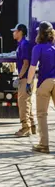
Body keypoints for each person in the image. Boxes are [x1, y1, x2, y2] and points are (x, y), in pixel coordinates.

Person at [26, 21, 55, 154]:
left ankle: (44, 145)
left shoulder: (38, 48)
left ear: (40, 34)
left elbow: (32, 67)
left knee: (42, 115)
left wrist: (28, 83)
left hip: (45, 82)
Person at [11, 24, 36, 137]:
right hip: (26, 77)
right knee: (27, 103)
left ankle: (25, 128)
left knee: (23, 103)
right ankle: (32, 127)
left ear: (20, 32)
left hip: (25, 78)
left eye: (15, 31)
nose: (13, 33)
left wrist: (19, 77)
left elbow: (26, 63)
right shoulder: (21, 44)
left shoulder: (24, 45)